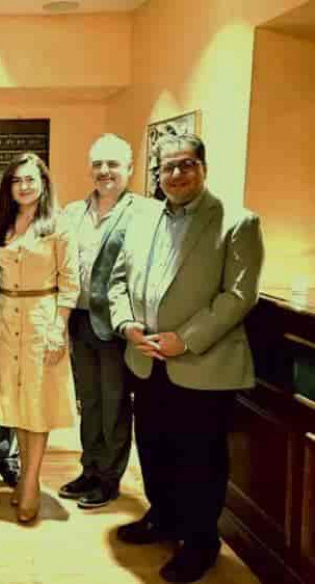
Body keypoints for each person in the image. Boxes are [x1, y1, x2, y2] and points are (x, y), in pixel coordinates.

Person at [108, 133, 264, 583]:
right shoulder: (141, 219)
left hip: (202, 363)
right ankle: (163, 517)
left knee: (200, 458)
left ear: (203, 168)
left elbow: (239, 295)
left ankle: (199, 542)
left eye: (186, 165)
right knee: (153, 446)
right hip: (145, 358)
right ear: (157, 173)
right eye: (167, 167)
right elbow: (118, 281)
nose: (176, 174)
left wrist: (186, 340)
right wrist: (127, 324)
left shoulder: (238, 222)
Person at [0, 152, 79, 523]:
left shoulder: (59, 224)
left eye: (30, 179)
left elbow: (70, 282)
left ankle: (30, 482)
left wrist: (59, 328)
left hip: (43, 320)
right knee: (16, 402)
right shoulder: (2, 224)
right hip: (6, 320)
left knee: (38, 404)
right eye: (17, 180)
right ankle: (27, 474)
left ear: (43, 183)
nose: (24, 186)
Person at [58, 134, 147, 509]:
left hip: (116, 325)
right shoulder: (73, 212)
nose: (104, 171)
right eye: (98, 164)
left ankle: (109, 479)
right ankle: (90, 469)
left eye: (113, 164)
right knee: (89, 402)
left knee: (114, 404)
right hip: (79, 320)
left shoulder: (144, 213)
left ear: (129, 168)